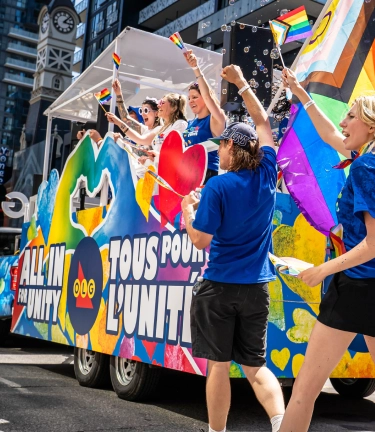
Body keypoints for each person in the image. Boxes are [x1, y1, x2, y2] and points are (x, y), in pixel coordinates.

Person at [181, 64, 285, 432]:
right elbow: (262, 122)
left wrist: (187, 211)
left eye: (221, 143)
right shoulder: (268, 172)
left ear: (229, 146)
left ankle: (217, 431)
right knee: (256, 367)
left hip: (219, 287)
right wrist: (241, 83)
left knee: (219, 367)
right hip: (257, 289)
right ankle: (281, 423)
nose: (218, 150)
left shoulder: (217, 188)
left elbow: (200, 241)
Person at [278, 68, 375, 432]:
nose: (344, 120)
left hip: (355, 287)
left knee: (304, 390)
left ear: (370, 126)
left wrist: (322, 270)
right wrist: (303, 95)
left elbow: (372, 244)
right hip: (365, 286)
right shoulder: (365, 157)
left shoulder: (366, 165)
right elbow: (331, 135)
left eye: (351, 114)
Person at [105, 93, 187, 169]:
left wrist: (119, 125)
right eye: (141, 111)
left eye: (146, 110)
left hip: (162, 174)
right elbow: (126, 119)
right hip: (149, 172)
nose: (142, 114)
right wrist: (122, 141)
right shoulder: (161, 129)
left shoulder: (177, 125)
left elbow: (174, 153)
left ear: (173, 108)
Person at [183, 49, 227, 183]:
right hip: (188, 174)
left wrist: (196, 67)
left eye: (195, 97)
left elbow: (208, 97)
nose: (190, 101)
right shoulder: (190, 123)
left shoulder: (215, 119)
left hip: (208, 174)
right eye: (189, 98)